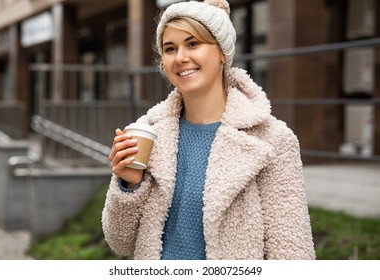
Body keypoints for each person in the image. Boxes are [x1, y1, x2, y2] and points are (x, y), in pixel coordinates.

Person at [102, 0, 315, 260]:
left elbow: (292, 252)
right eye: (170, 49)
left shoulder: (273, 140)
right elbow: (120, 242)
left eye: (193, 44)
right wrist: (129, 184)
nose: (180, 57)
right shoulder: (150, 133)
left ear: (222, 52)